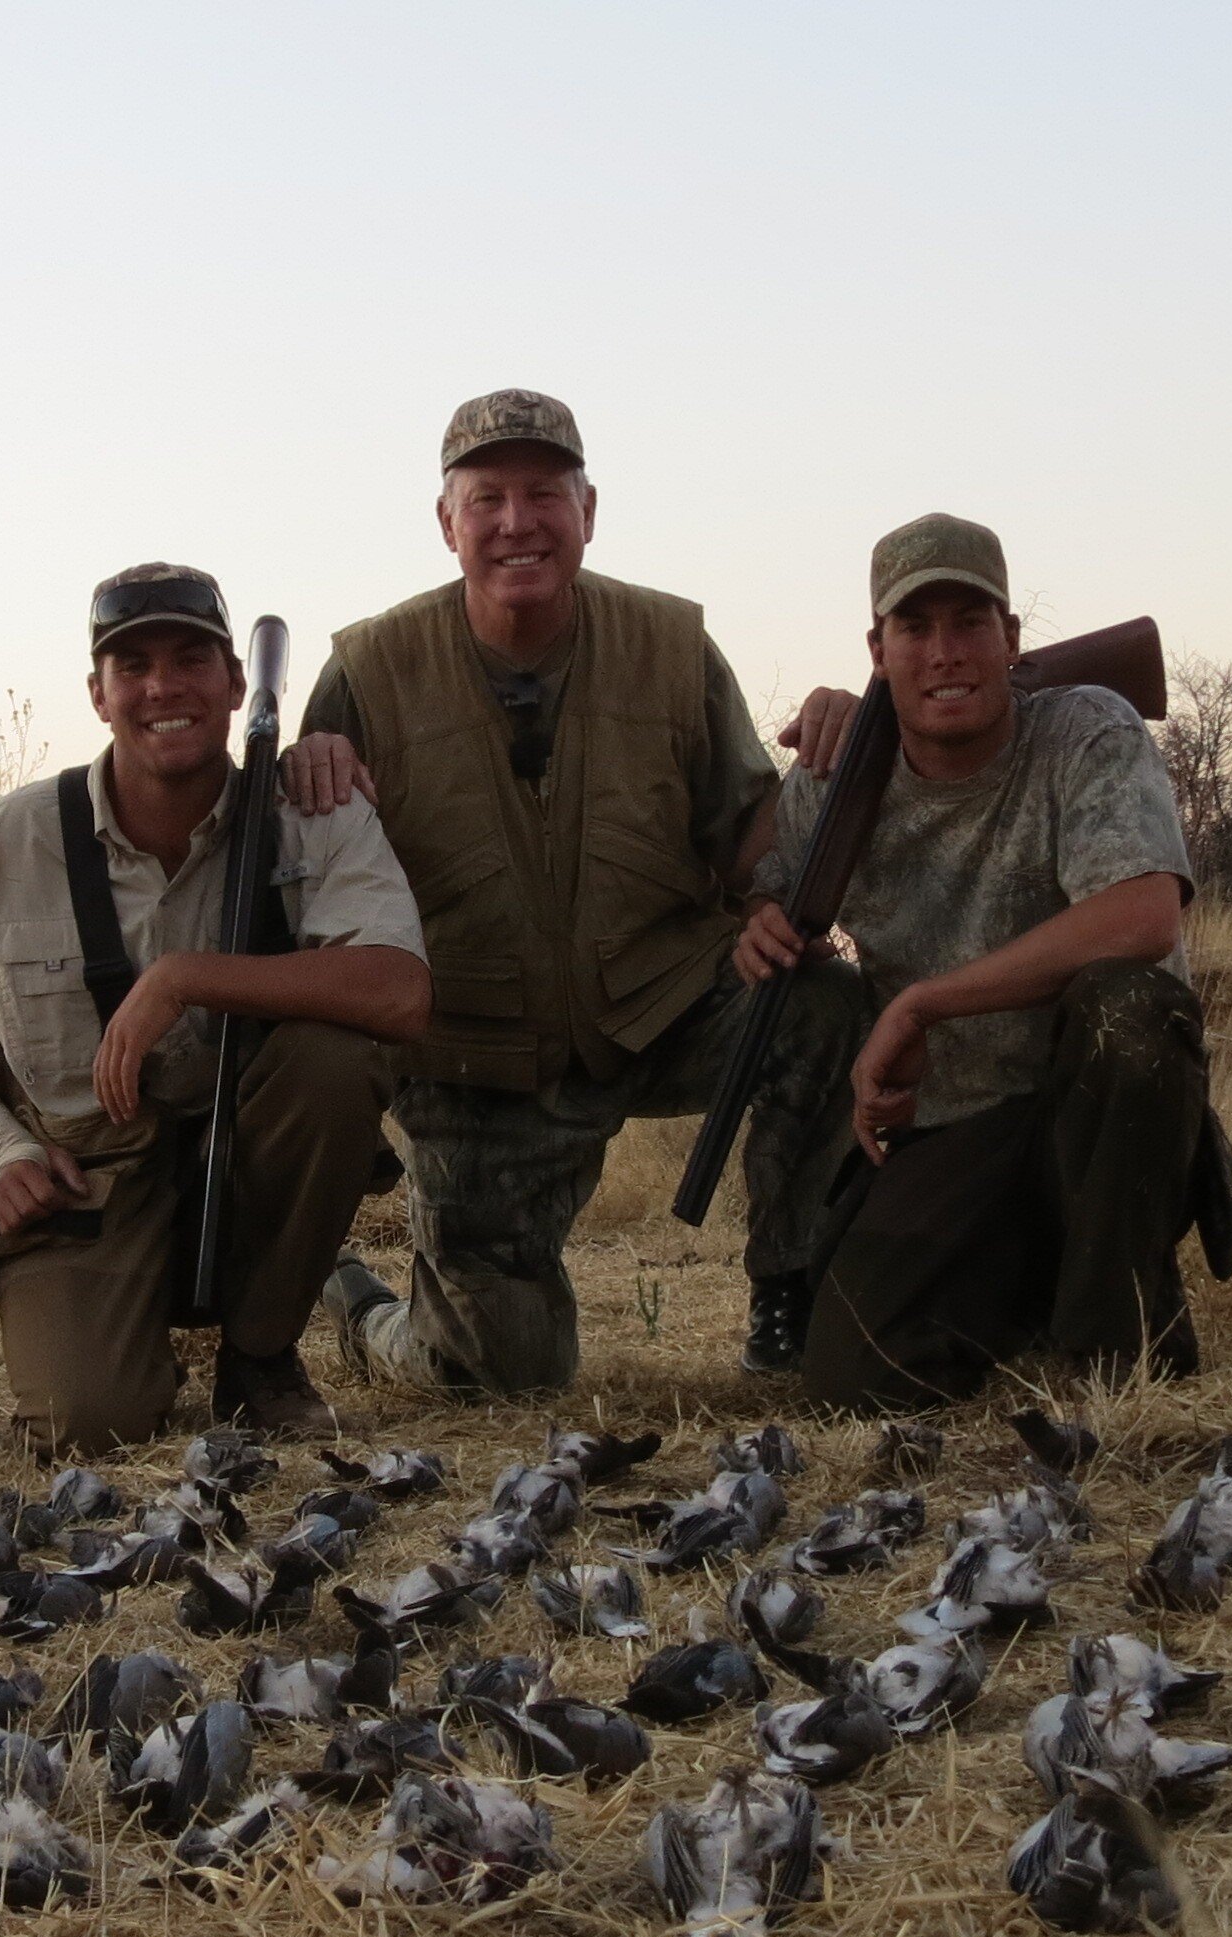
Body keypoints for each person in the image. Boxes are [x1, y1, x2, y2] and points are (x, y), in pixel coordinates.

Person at [285, 388, 867, 1395]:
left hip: (659, 1005)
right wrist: (306, 769)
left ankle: (789, 1294)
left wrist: (836, 757)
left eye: (544, 493)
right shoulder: (366, 670)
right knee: (495, 1375)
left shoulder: (673, 646)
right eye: (488, 498)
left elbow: (743, 839)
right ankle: (370, 1315)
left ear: (587, 511)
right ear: (446, 523)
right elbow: (315, 894)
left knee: (820, 1001)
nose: (518, 522)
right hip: (476, 1055)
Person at [0, 563, 429, 1451]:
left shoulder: (311, 808)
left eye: (189, 660)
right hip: (90, 1173)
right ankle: (124, 1340)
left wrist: (183, 977)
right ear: (98, 695)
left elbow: (399, 993)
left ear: (232, 685)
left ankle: (259, 1358)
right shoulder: (6, 838)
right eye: (132, 666)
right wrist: (4, 1149)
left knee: (334, 1058)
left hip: (250, 1151)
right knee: (84, 1427)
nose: (162, 688)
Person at [740, 511, 1232, 1408]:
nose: (944, 653)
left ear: (1011, 639)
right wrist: (760, 915)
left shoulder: (1087, 726)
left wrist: (922, 1004)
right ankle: (1034, 1295)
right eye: (914, 628)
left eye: (970, 623)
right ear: (877, 649)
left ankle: (1111, 1354)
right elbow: (760, 878)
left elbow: (1142, 916)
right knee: (854, 1384)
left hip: (1095, 1110)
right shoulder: (831, 780)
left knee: (1130, 1006)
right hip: (955, 1126)